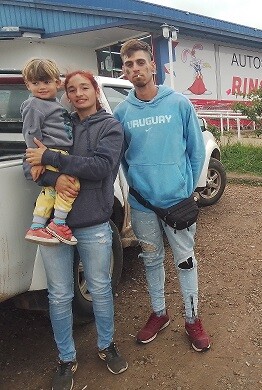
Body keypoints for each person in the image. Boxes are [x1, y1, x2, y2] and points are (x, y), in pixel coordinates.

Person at [25, 70, 128, 390]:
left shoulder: (111, 127)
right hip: (53, 228)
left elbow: (100, 168)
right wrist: (55, 177)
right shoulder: (59, 121)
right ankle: (66, 358)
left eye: (85, 87)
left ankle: (106, 344)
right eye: (72, 89)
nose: (79, 93)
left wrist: (52, 158)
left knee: (99, 288)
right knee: (59, 295)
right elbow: (31, 168)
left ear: (96, 90)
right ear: (66, 94)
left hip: (93, 223)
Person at [114, 39, 211, 351]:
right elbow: (123, 158)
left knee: (185, 261)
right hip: (142, 206)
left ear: (153, 66)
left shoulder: (178, 103)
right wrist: (138, 188)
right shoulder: (122, 111)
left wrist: (187, 191)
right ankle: (159, 313)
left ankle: (192, 319)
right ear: (125, 71)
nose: (135, 69)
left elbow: (196, 151)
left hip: (177, 203)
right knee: (151, 260)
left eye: (140, 63)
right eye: (129, 65)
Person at [21, 58, 79, 246]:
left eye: (46, 82)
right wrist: (36, 160)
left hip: (57, 152)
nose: (41, 87)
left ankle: (38, 225)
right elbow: (31, 132)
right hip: (49, 152)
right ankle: (58, 223)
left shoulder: (55, 104)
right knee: (72, 184)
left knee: (51, 191)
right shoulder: (34, 105)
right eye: (35, 83)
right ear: (28, 84)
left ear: (57, 82)